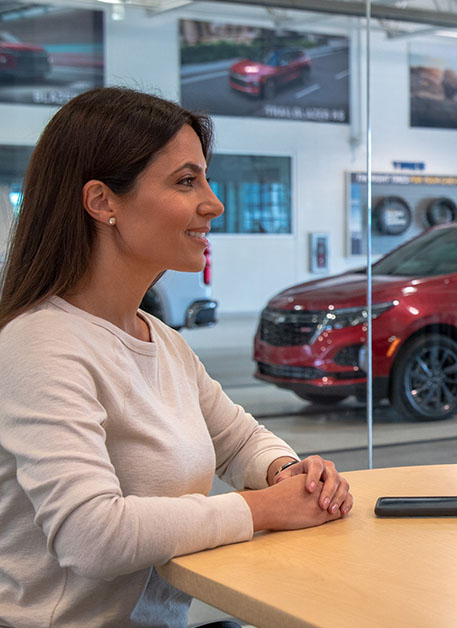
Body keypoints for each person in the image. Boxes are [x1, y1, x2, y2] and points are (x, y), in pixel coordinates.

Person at [0, 87, 354, 626]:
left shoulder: (160, 340)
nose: (213, 203)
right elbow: (90, 537)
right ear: (102, 202)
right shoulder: (38, 346)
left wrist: (288, 473)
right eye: (187, 181)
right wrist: (263, 509)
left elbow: (238, 441)